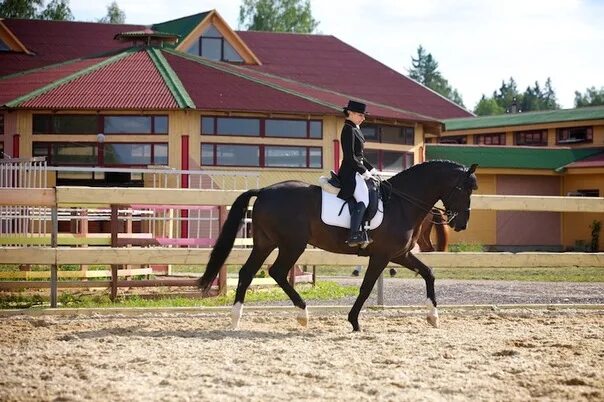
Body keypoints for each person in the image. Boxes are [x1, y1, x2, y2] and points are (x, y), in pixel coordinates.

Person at [337, 100, 378, 247]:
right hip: (349, 173)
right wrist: (364, 172)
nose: (363, 118)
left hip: (356, 171)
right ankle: (353, 235)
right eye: (360, 115)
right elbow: (350, 157)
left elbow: (360, 156)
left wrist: (371, 169)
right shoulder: (348, 129)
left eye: (363, 115)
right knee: (363, 200)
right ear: (350, 113)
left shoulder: (355, 128)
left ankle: (364, 230)